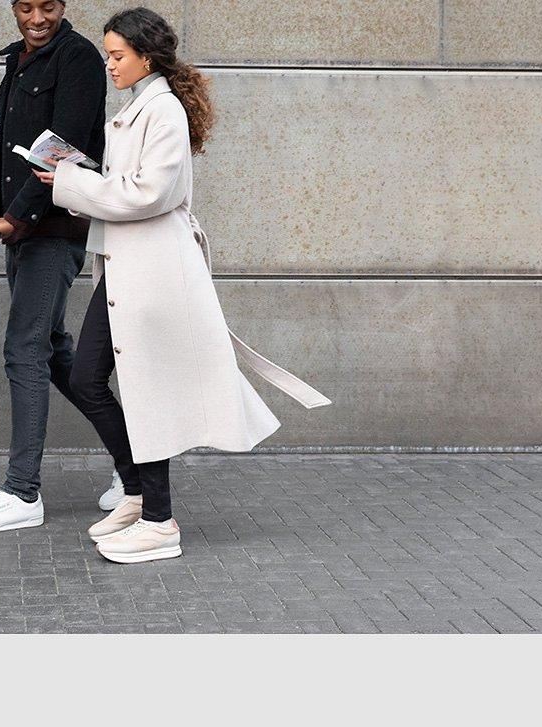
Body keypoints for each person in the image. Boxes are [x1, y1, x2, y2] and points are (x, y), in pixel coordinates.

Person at [39, 7, 331, 563]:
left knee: (149, 392)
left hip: (154, 272)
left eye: (117, 55)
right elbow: (128, 187)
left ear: (146, 56)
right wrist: (72, 176)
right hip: (129, 268)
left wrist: (72, 182)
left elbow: (148, 194)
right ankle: (135, 492)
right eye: (107, 54)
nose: (109, 64)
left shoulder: (163, 110)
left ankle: (159, 521)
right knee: (88, 377)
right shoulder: (140, 107)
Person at [0, 0, 121, 537]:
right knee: (52, 350)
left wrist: (14, 216)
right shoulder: (16, 61)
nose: (37, 17)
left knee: (24, 348)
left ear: (63, 6)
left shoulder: (79, 59)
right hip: (18, 228)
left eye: (47, 6)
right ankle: (136, 461)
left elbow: (65, 149)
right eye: (26, 7)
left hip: (51, 230)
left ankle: (22, 492)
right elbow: (29, 151)